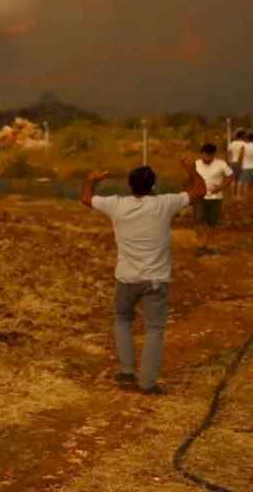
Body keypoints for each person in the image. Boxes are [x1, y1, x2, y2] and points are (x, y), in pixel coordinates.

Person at [81, 159, 206, 394]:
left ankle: (127, 372)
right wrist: (192, 170)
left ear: (129, 186)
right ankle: (148, 384)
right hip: (156, 280)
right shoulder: (165, 203)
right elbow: (200, 191)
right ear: (153, 185)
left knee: (122, 319)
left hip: (126, 278)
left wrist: (91, 180)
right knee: (154, 330)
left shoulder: (116, 205)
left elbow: (86, 199)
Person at [194, 143, 235, 227]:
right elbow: (191, 178)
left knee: (212, 222)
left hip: (215, 198)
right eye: (205, 155)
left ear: (213, 155)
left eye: (209, 155)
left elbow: (231, 176)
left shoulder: (221, 164)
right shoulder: (196, 164)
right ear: (201, 154)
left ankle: (210, 237)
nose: (207, 158)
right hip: (199, 197)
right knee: (199, 220)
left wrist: (221, 187)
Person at [228, 130, 245, 198]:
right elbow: (242, 154)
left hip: (232, 162)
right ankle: (238, 195)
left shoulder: (231, 144)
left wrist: (229, 162)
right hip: (241, 163)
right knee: (240, 180)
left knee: (233, 180)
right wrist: (240, 163)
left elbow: (228, 154)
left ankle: (232, 195)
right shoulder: (244, 144)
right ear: (242, 136)